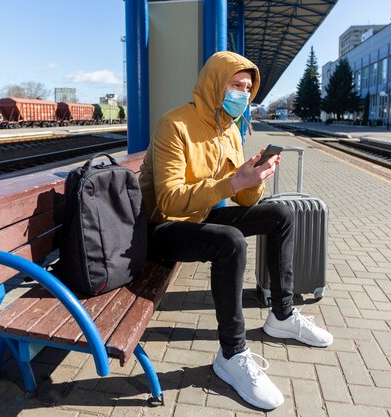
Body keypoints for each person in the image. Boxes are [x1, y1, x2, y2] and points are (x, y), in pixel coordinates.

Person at [138, 51, 333, 410]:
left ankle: (283, 315)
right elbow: (167, 201)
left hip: (199, 217)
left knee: (281, 214)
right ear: (215, 84)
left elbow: (244, 199)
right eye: (237, 85)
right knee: (229, 242)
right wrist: (230, 184)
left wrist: (254, 178)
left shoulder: (231, 128)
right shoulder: (175, 124)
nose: (243, 94)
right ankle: (232, 353)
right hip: (161, 229)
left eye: (247, 88)